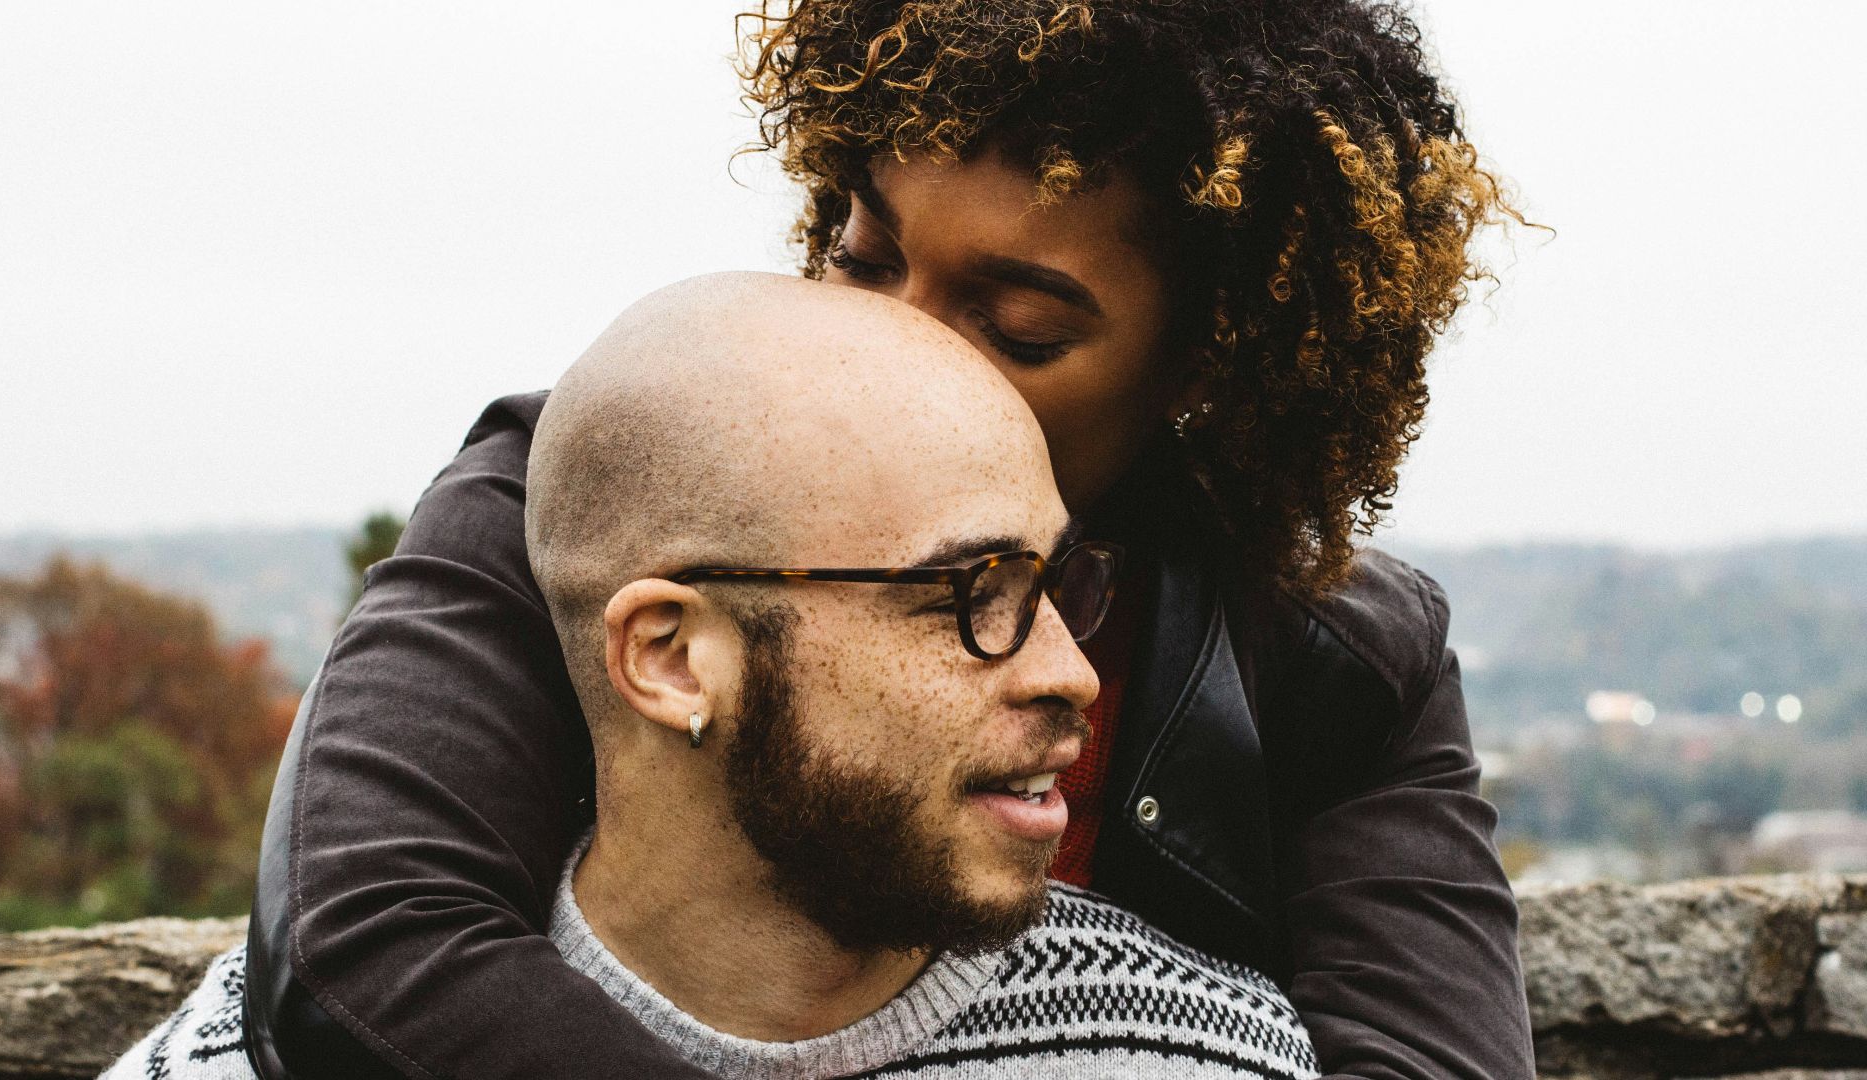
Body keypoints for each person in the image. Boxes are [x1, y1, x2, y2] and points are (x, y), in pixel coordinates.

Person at [243, 2, 1535, 1078]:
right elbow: (364, 951)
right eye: (865, 260)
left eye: (1018, 324)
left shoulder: (1338, 657)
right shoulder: (594, 496)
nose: (902, 337)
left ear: (1202, 366)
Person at [111, 275, 1319, 1080]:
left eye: (1060, 584)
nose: (1072, 674)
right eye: (972, 595)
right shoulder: (240, 1065)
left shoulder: (1207, 1055)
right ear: (674, 658)